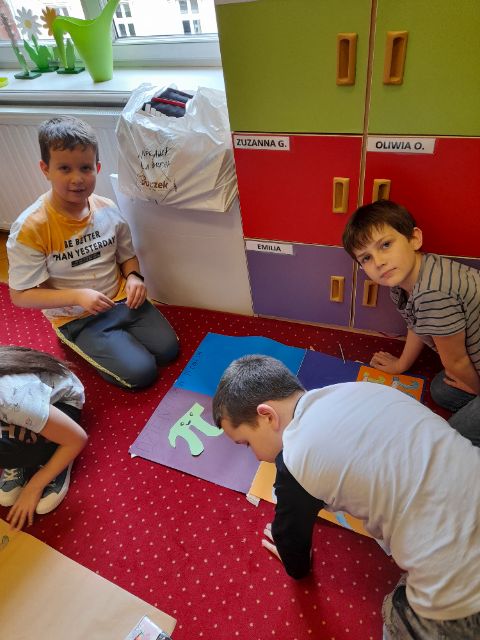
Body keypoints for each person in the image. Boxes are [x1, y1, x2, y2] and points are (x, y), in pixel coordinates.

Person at [212, 354, 480, 639]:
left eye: (246, 443)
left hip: (463, 584)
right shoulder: (352, 389)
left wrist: (293, 559)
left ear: (267, 416)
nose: (255, 456)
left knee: (394, 621)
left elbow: (290, 540)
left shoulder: (294, 461)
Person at [7, 116, 179, 389]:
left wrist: (134, 277)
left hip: (122, 301)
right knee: (141, 374)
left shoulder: (107, 208)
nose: (77, 179)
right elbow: (20, 295)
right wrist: (77, 296)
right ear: (45, 169)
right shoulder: (31, 228)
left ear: (97, 168)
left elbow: (126, 255)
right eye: (64, 168)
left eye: (85, 168)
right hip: (77, 318)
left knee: (169, 350)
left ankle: (119, 342)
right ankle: (77, 341)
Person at [342, 199, 480, 447]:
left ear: (414, 239)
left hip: (464, 360)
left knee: (448, 442)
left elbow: (457, 361)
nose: (378, 262)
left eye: (386, 245)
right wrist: (400, 365)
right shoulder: (406, 280)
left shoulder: (433, 293)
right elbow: (417, 323)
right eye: (366, 258)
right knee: (440, 389)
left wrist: (473, 388)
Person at [0, 345, 88, 531]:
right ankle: (25, 456)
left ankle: (54, 454)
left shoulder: (12, 399)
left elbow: (77, 439)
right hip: (25, 408)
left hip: (61, 403)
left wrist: (34, 487)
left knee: (6, 449)